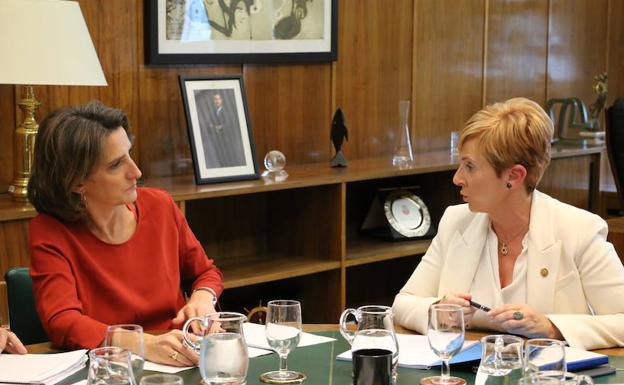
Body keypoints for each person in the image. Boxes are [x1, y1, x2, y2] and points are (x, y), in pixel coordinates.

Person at [392, 97, 624, 350]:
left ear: (514, 176)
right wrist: (437, 310)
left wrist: (551, 327)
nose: (457, 178)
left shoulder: (579, 230)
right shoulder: (456, 222)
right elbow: (404, 303)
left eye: (470, 166)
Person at [27, 101, 223, 366]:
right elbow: (62, 322)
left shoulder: (160, 205)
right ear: (76, 182)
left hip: (179, 360)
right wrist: (143, 344)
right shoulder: (50, 231)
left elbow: (205, 273)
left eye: (129, 153)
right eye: (116, 164)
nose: (136, 172)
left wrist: (203, 296)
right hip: (109, 370)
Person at [197, 91, 246, 168]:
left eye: (218, 99)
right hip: (218, 142)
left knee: (229, 159)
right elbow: (209, 125)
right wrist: (216, 127)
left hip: (227, 141)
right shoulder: (213, 113)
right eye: (215, 99)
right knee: (221, 159)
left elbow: (228, 124)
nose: (217, 101)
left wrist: (217, 127)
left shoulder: (226, 111)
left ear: (222, 100)